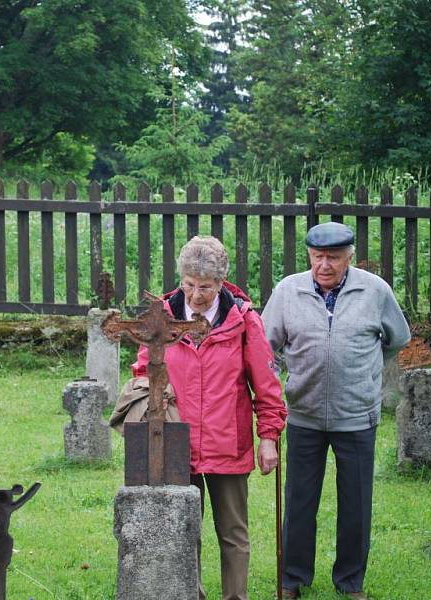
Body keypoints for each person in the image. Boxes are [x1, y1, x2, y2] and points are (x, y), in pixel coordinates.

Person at [131, 235, 287, 600]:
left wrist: (268, 437)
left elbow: (266, 385)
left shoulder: (243, 321)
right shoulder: (162, 316)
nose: (195, 295)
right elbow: (142, 374)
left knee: (233, 533)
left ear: (221, 283)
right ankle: (191, 594)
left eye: (205, 287)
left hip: (226, 442)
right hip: (175, 439)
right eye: (188, 285)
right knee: (184, 528)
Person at [261, 222, 410, 600]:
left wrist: (365, 371)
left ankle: (350, 582)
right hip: (304, 414)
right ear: (309, 255)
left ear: (349, 258)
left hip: (357, 416)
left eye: (333, 258)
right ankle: (292, 579)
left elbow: (397, 339)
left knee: (356, 505)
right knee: (299, 501)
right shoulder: (287, 291)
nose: (323, 265)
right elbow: (266, 347)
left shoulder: (374, 290)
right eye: (317, 257)